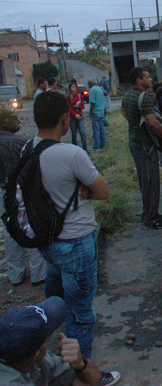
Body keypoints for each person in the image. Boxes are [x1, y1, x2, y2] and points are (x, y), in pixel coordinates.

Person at [30, 91, 110, 361]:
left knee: (54, 298)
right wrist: (83, 186)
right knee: (80, 312)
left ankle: (45, 357)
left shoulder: (27, 149)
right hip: (76, 242)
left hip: (46, 240)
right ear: (65, 118)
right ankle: (80, 372)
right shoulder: (71, 154)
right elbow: (102, 191)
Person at [0, 296, 120, 386]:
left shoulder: (40, 360)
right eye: (49, 335)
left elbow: (91, 381)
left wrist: (81, 364)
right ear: (35, 355)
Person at [0, 105, 46, 287]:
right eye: (15, 119)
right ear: (4, 122)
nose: (18, 122)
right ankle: (38, 274)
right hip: (22, 189)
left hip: (3, 192)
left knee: (10, 231)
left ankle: (16, 275)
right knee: (31, 226)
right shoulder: (18, 143)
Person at [121, 67, 162, 229]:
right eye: (147, 77)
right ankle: (151, 217)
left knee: (144, 180)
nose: (150, 80)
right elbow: (153, 123)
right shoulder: (146, 97)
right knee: (151, 181)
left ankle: (147, 212)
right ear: (138, 80)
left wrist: (135, 123)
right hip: (146, 145)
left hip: (134, 141)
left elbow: (124, 111)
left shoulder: (128, 95)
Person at [66, 82, 88, 151]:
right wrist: (75, 114)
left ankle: (85, 148)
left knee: (82, 132)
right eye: (73, 87)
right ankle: (74, 148)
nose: (74, 88)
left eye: (75, 87)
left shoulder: (79, 96)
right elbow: (68, 108)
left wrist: (79, 106)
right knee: (74, 133)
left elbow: (83, 106)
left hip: (79, 115)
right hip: (72, 116)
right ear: (70, 88)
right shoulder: (68, 97)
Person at [87, 79, 106, 150]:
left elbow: (92, 103)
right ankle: (103, 142)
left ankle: (96, 146)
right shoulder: (100, 89)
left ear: (90, 83)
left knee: (96, 130)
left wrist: (91, 112)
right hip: (101, 111)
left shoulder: (92, 90)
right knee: (101, 128)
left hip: (95, 112)